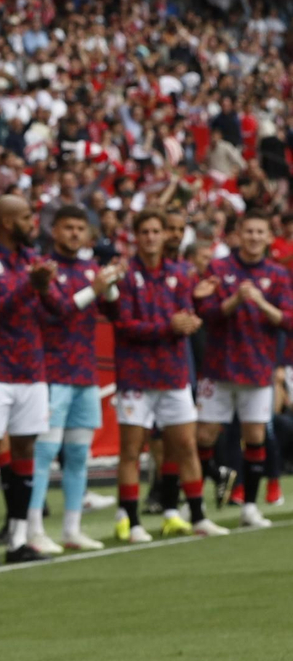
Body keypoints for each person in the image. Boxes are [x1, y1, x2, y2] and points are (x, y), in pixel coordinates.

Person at [104, 209, 229, 542]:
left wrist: (191, 318)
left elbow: (185, 315)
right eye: (144, 231)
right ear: (136, 236)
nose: (150, 237)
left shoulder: (180, 273)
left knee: (186, 445)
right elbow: (124, 324)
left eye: (155, 231)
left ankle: (198, 515)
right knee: (132, 451)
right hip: (136, 376)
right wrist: (170, 326)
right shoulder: (126, 275)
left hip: (173, 373)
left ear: (163, 235)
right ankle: (132, 522)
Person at [0, 196, 66, 566]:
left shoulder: (31, 261)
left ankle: (19, 538)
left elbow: (61, 309)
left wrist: (43, 284)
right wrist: (29, 285)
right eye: (25, 217)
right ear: (6, 222)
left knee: (25, 452)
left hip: (32, 372)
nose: (31, 222)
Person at [194, 210, 293, 529]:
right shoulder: (219, 269)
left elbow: (288, 320)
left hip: (257, 367)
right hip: (218, 366)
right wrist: (236, 299)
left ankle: (249, 506)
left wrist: (261, 303)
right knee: (204, 436)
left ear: (268, 236)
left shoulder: (277, 274)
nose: (253, 237)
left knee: (255, 436)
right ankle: (195, 498)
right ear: (238, 234)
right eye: (248, 231)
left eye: (259, 232)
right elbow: (205, 313)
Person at [33, 206, 123, 552]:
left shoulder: (90, 269)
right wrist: (97, 288)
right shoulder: (45, 269)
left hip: (86, 376)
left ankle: (71, 529)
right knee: (44, 455)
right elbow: (61, 309)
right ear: (54, 231)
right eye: (67, 227)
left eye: (79, 228)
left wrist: (109, 285)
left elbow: (115, 312)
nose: (73, 233)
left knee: (78, 456)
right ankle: (34, 529)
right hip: (53, 374)